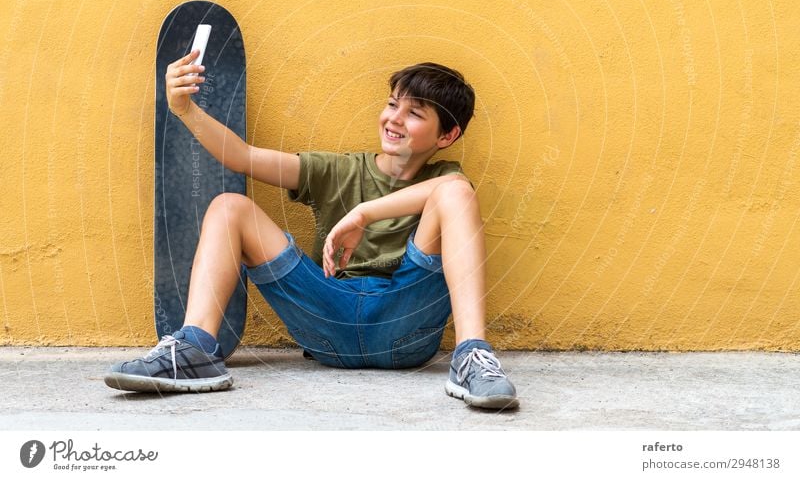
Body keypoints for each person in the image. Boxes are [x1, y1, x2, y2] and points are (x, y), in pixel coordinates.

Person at [105, 51, 518, 409]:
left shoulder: (446, 178)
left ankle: (471, 357)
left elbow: (451, 190)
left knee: (457, 196)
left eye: (414, 113)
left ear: (447, 135)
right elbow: (242, 156)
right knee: (229, 207)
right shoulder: (336, 171)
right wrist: (184, 109)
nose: (395, 119)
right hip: (326, 315)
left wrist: (363, 214)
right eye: (393, 105)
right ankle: (193, 348)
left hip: (404, 322)